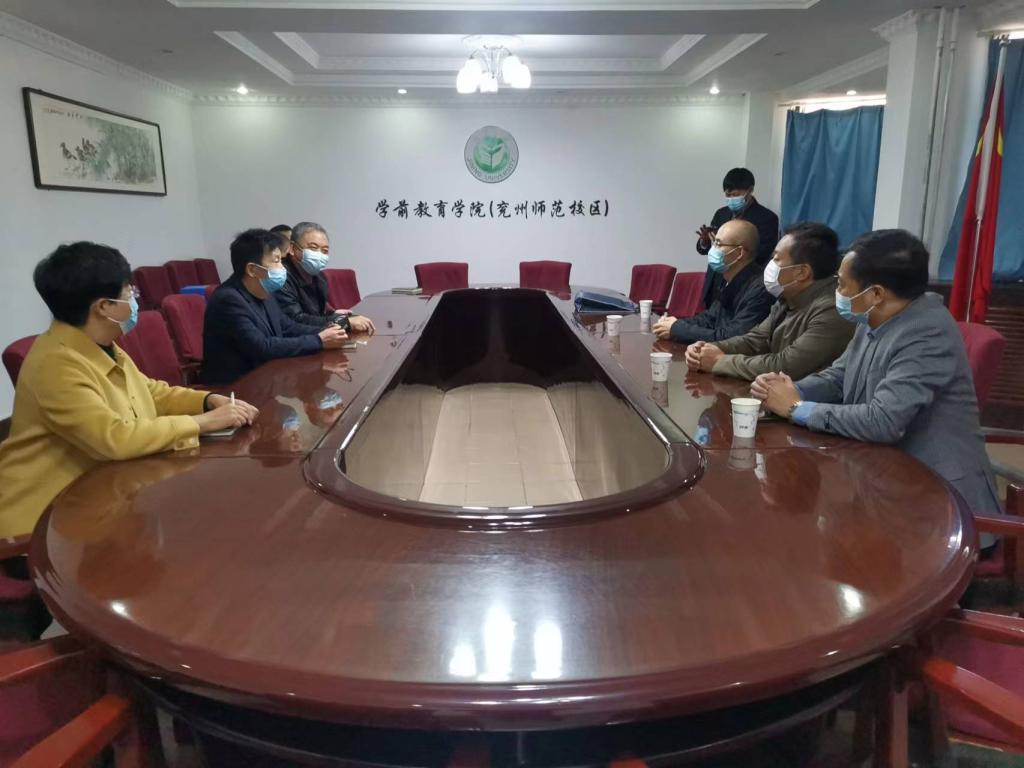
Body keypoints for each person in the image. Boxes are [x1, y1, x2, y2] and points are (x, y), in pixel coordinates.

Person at [0, 242, 258, 538]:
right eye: (129, 291)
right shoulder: (56, 364)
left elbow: (151, 392)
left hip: (103, 493)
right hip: (44, 523)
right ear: (103, 307)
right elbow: (114, 438)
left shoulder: (99, 345)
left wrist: (207, 401)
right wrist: (202, 423)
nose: (135, 298)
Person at [752, 229, 1001, 531]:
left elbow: (883, 421)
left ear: (876, 293)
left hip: (938, 504)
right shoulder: (874, 314)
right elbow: (839, 376)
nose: (837, 291)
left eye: (842, 284)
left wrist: (796, 408)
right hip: (883, 478)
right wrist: (787, 390)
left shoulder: (926, 332)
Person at [683, 222, 854, 381]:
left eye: (776, 259)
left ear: (802, 272)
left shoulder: (831, 310)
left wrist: (718, 362)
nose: (769, 265)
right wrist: (708, 349)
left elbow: (785, 365)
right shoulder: (787, 297)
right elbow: (755, 340)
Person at [201, 228, 349, 386]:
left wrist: (326, 331)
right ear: (252, 269)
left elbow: (287, 327)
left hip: (266, 379)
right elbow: (261, 347)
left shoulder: (264, 291)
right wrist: (319, 340)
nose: (283, 268)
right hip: (234, 388)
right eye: (276, 261)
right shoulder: (228, 300)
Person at [654, 219, 774, 345]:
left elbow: (731, 337)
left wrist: (678, 329)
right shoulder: (728, 278)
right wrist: (673, 324)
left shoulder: (761, 289)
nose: (713, 249)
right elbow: (710, 319)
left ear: (739, 253)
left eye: (718, 244)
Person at [697, 168, 780, 311]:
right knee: (709, 318)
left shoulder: (767, 218)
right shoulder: (721, 214)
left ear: (750, 190)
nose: (731, 199)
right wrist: (705, 242)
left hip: (743, 284)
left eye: (735, 195)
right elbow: (710, 248)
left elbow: (761, 253)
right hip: (715, 283)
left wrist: (730, 250)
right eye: (727, 195)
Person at [276, 221, 375, 333]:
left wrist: (333, 314)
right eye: (313, 248)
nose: (319, 255)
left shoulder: (319, 277)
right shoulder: (281, 278)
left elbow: (316, 314)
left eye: (325, 251)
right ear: (292, 248)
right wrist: (342, 322)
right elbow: (296, 320)